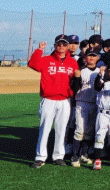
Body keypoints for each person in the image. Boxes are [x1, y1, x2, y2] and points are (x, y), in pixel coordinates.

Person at [29, 35, 79, 169]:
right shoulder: (47, 60)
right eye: (59, 44)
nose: (61, 46)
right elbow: (33, 64)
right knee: (44, 129)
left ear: (67, 46)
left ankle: (58, 156)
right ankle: (40, 157)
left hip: (64, 100)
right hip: (49, 99)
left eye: (64, 44)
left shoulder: (72, 62)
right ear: (55, 45)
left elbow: (76, 81)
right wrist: (39, 50)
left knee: (61, 130)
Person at [69, 49, 101, 167]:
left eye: (94, 55)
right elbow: (74, 88)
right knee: (80, 130)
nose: (91, 58)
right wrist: (77, 78)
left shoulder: (100, 71)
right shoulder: (80, 71)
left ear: (98, 58)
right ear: (85, 58)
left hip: (95, 104)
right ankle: (74, 156)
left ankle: (84, 154)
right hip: (81, 103)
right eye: (89, 55)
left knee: (89, 132)